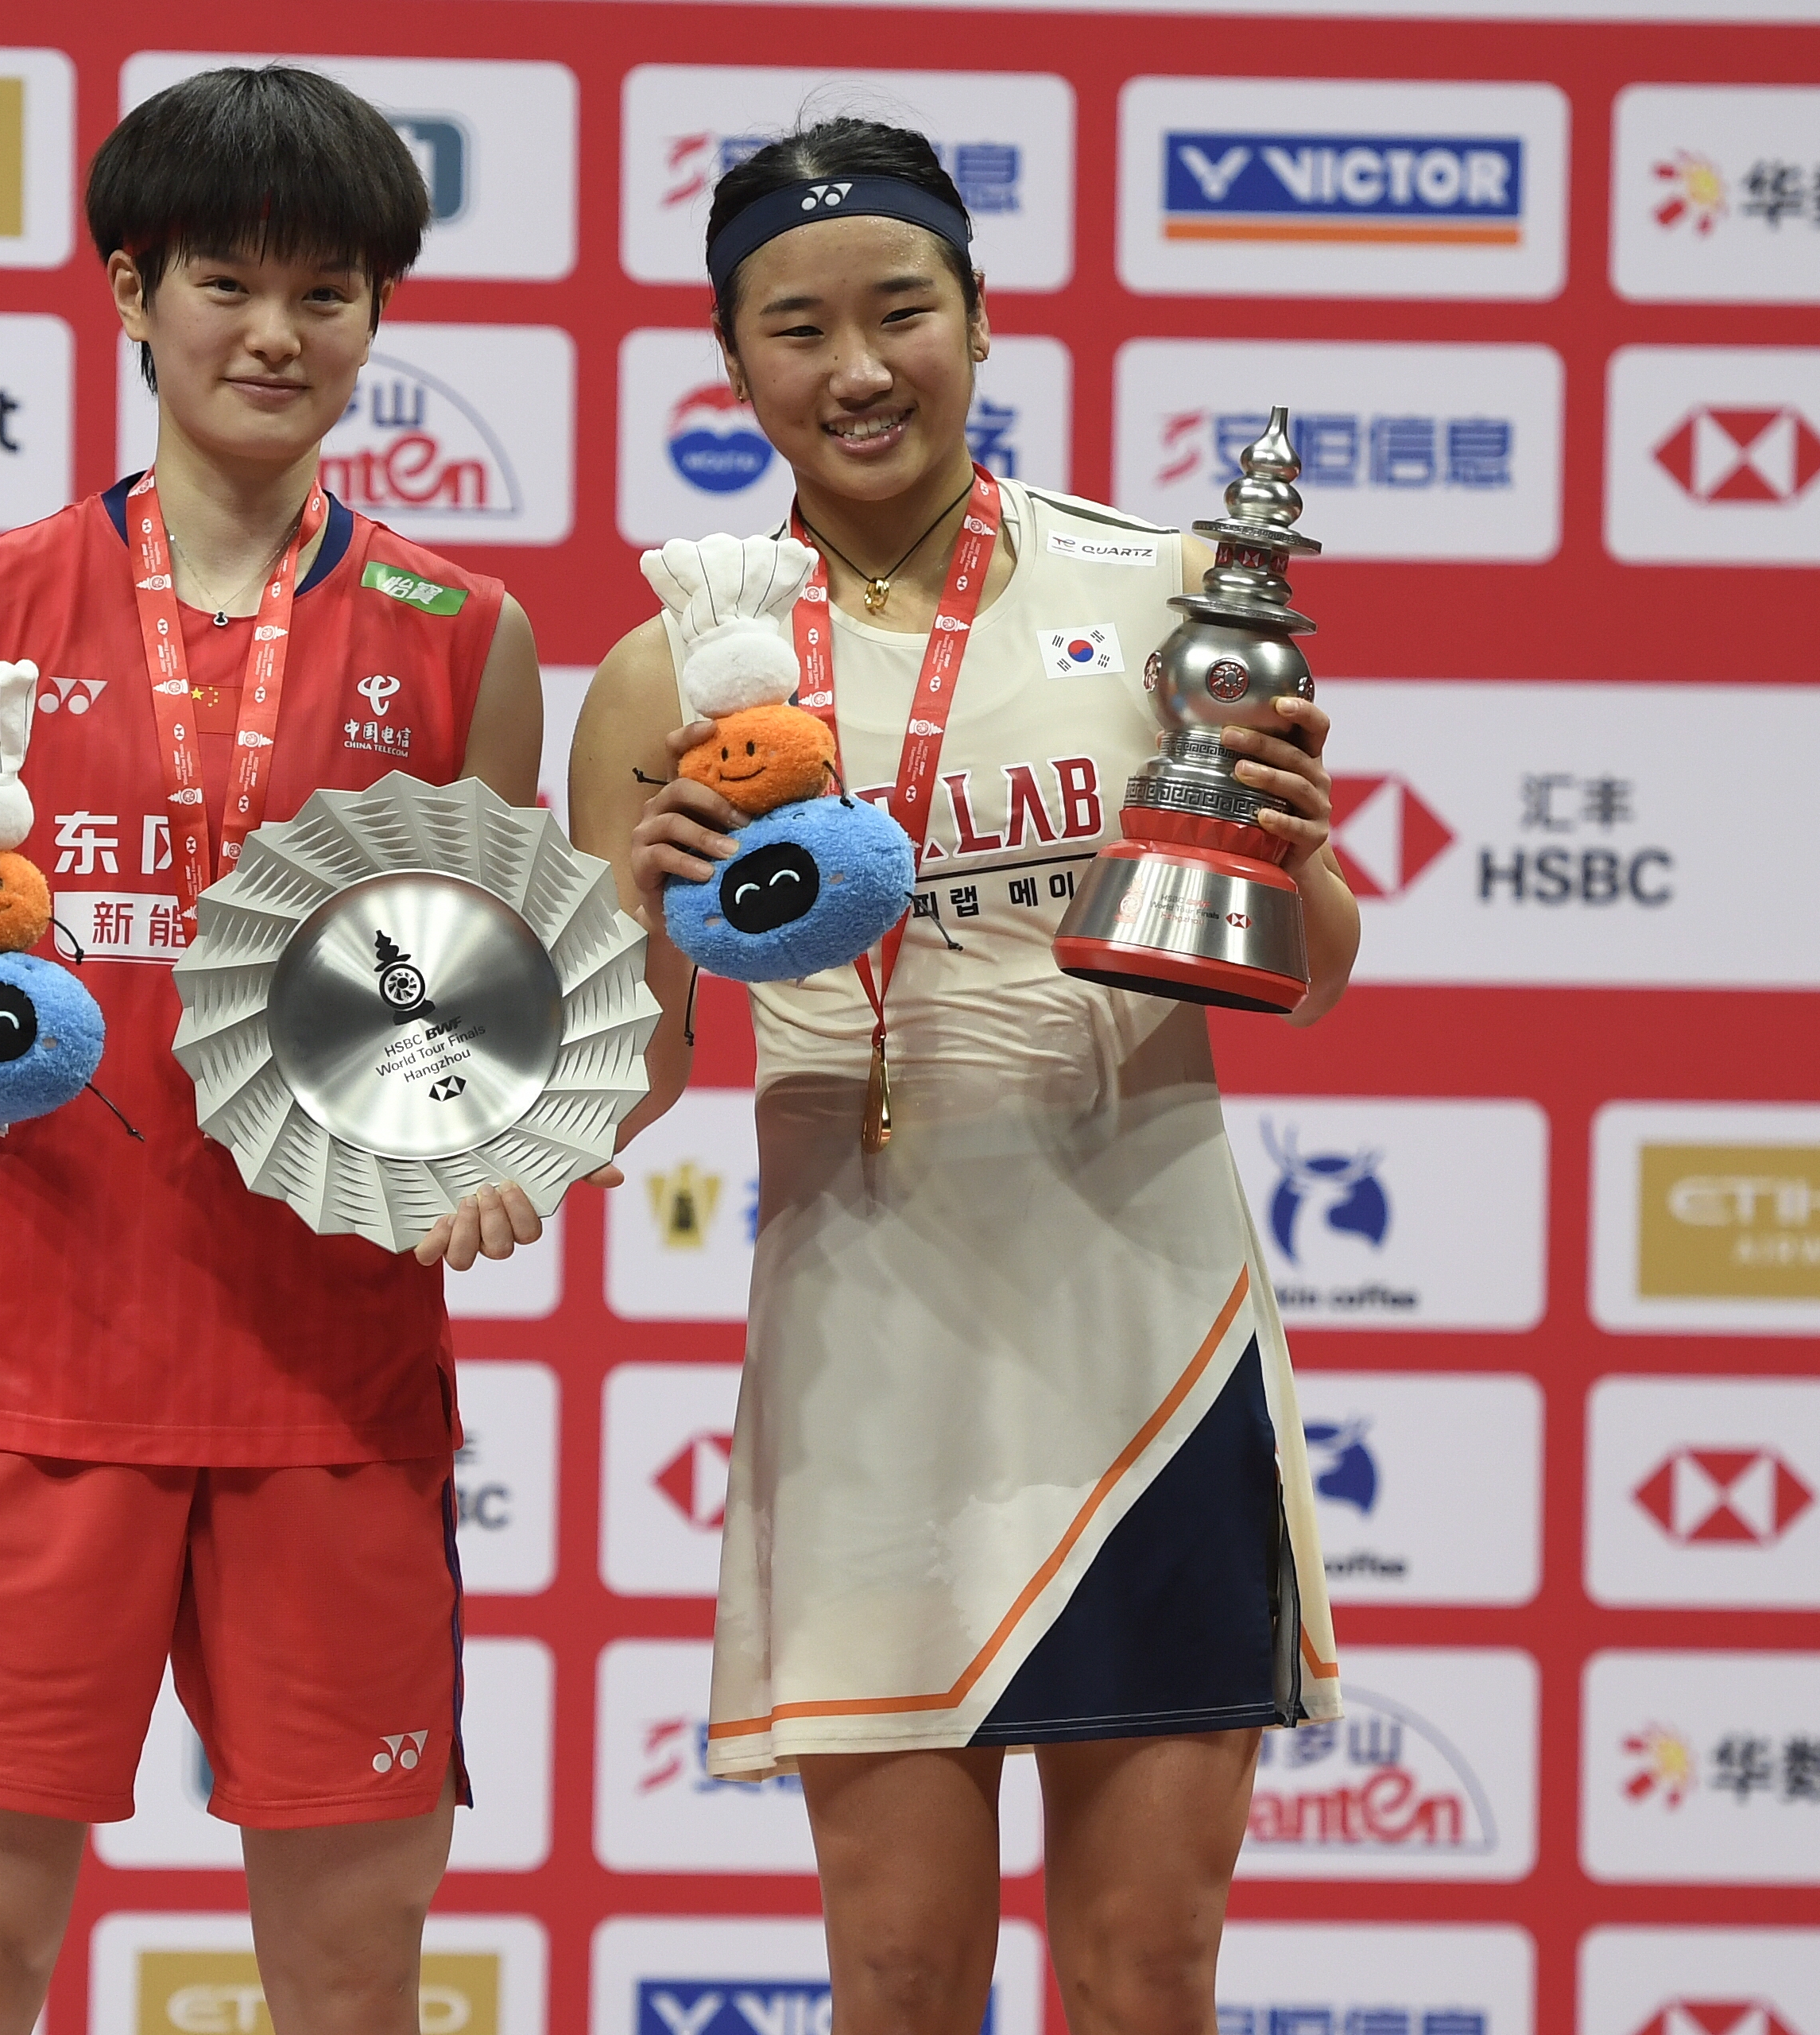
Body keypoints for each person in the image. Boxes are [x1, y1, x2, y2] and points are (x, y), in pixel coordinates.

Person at [0, 67, 576, 2035]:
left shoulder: (462, 630)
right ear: (133, 290)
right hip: (34, 1374)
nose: (276, 333)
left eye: (327, 292)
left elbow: (497, 1011)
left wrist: (498, 1150)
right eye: (226, 281)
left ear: (377, 315)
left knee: (352, 1968)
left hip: (337, 1383)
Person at [572, 118, 1358, 2035]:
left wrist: (1297, 849)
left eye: (902, 310)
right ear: (732, 360)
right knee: (905, 1973)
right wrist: (640, 914)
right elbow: (624, 1078)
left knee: (1146, 1972)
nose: (859, 369)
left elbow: (1314, 974)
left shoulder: (1169, 586)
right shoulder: (672, 669)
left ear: (982, 318)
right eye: (798, 328)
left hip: (1148, 1343)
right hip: (871, 1355)